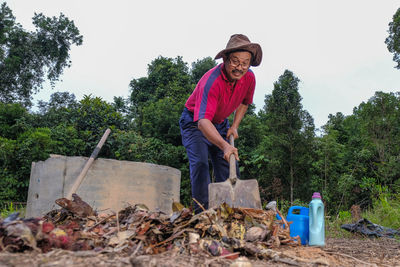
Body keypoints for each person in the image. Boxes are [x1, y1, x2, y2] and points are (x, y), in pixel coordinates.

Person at [179, 34, 262, 213]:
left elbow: (245, 102)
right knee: (201, 163)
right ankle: (202, 214)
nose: (239, 67)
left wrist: (234, 126)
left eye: (245, 63)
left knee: (229, 164)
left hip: (220, 123)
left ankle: (232, 212)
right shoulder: (212, 82)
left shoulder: (249, 78)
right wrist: (225, 146)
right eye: (235, 62)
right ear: (225, 59)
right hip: (195, 123)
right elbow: (202, 122)